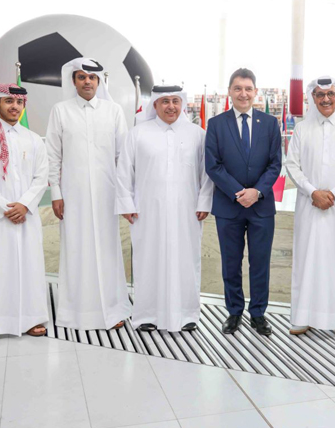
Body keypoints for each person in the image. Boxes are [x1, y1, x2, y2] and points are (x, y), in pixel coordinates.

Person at [116, 86, 213, 333]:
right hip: (147, 211)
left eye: (175, 101)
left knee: (187, 261)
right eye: (165, 101)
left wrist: (204, 202)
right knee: (148, 259)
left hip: (187, 210)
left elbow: (207, 173)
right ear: (155, 105)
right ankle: (147, 315)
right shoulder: (137, 133)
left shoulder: (197, 134)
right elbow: (124, 171)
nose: (171, 106)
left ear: (182, 104)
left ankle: (187, 314)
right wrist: (126, 203)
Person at [46, 57, 130, 331]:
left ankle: (112, 309)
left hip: (107, 194)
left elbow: (123, 157)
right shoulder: (61, 111)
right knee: (76, 248)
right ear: (73, 81)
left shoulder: (113, 111)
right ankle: (75, 311)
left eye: (92, 77)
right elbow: (53, 155)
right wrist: (56, 193)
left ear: (99, 81)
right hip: (73, 195)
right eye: (81, 77)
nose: (87, 82)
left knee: (107, 250)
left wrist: (124, 196)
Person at [0, 83, 50, 343]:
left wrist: (24, 204)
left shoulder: (33, 139)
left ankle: (31, 319)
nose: (15, 106)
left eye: (19, 102)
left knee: (30, 266)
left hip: (26, 215)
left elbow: (42, 177)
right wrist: (5, 207)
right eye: (9, 101)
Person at [205, 68, 282, 336]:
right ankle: (234, 312)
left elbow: (275, 164)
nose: (243, 93)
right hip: (229, 206)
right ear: (230, 91)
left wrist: (256, 192)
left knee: (260, 263)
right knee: (231, 263)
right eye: (238, 88)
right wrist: (239, 192)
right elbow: (213, 165)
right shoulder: (216, 124)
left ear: (255, 92)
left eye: (248, 89)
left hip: (261, 206)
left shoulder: (270, 123)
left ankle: (258, 313)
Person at [285, 77, 335, 338]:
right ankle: (302, 317)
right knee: (307, 260)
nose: (326, 99)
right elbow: (292, 165)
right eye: (320, 95)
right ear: (313, 97)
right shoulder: (301, 129)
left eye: (330, 94)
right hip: (309, 205)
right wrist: (313, 192)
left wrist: (332, 193)